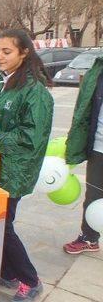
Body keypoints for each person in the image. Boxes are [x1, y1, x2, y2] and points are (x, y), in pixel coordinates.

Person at [0, 29, 53, 301]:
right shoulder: (3, 81)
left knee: (3, 225)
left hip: (17, 171)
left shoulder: (35, 91)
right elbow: (0, 118)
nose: (0, 56)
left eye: (6, 51)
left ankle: (30, 280)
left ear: (24, 53)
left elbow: (31, 138)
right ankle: (8, 272)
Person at [64, 54, 103, 254]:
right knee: (94, 196)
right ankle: (89, 238)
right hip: (99, 146)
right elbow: (83, 110)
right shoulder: (97, 70)